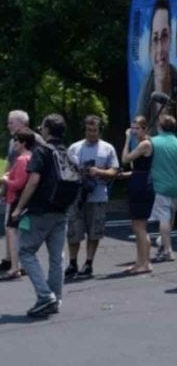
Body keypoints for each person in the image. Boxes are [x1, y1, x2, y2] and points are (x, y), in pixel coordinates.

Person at [10, 114, 73, 317]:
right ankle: (55, 297)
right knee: (57, 257)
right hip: (62, 209)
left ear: (46, 129)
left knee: (26, 252)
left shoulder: (42, 151)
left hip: (41, 210)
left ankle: (46, 296)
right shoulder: (67, 152)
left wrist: (19, 207)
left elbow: (34, 181)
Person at [64, 116, 120, 280]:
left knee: (95, 232)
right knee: (74, 232)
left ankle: (88, 263)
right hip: (77, 196)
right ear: (85, 130)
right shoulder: (74, 148)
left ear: (100, 131)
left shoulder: (107, 148)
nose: (92, 134)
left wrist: (98, 172)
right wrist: (78, 172)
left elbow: (115, 171)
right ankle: (73, 262)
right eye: (89, 130)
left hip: (97, 195)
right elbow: (64, 171)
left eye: (95, 130)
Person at [149, 114, 177, 262]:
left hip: (160, 186)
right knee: (170, 217)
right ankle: (163, 245)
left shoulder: (153, 142)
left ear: (160, 127)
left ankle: (168, 250)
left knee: (163, 218)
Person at [3, 109, 42, 272]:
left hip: (25, 191)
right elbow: (8, 162)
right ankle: (10, 259)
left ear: (22, 123)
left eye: (11, 122)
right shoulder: (14, 141)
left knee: (18, 228)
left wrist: (6, 181)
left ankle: (19, 262)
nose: (8, 125)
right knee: (10, 226)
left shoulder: (35, 140)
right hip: (13, 189)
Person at [135, 0, 177, 128]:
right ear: (149, 46)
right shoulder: (146, 90)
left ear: (171, 38)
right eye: (155, 39)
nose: (159, 49)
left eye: (164, 36)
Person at [121, 116, 155, 275]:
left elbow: (125, 158)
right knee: (137, 225)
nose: (133, 131)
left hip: (142, 186)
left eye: (136, 128)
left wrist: (127, 139)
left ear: (144, 129)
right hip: (138, 181)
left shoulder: (145, 143)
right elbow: (138, 168)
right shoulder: (142, 143)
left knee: (140, 226)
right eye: (132, 128)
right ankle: (140, 261)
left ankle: (145, 263)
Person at [0, 129, 33, 280]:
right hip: (27, 202)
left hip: (16, 200)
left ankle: (15, 267)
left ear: (23, 143)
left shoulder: (21, 160)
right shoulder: (31, 157)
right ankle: (23, 265)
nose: (13, 143)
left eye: (16, 140)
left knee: (11, 231)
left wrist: (5, 180)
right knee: (23, 233)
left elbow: (19, 183)